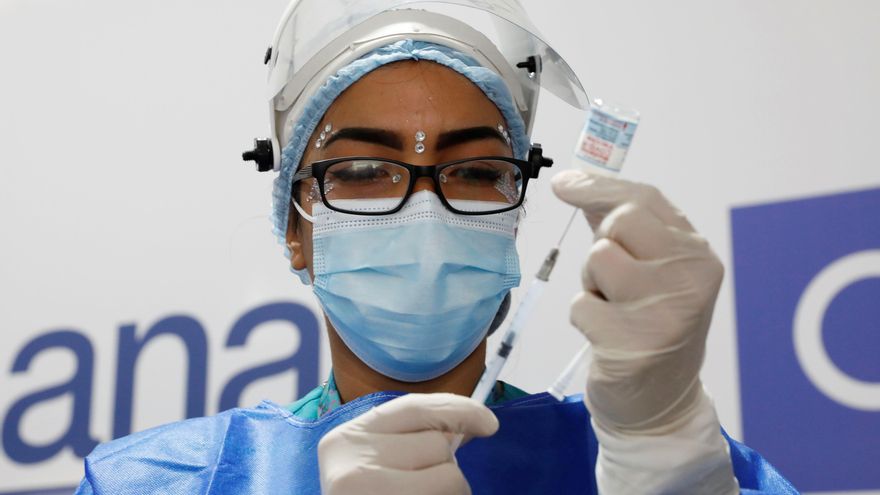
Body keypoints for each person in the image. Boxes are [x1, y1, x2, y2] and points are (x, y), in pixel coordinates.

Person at [76, 1, 798, 493]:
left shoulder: (659, 458)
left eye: (476, 171)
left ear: (513, 217)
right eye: (363, 171)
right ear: (295, 230)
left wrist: (666, 456)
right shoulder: (166, 479)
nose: (424, 211)